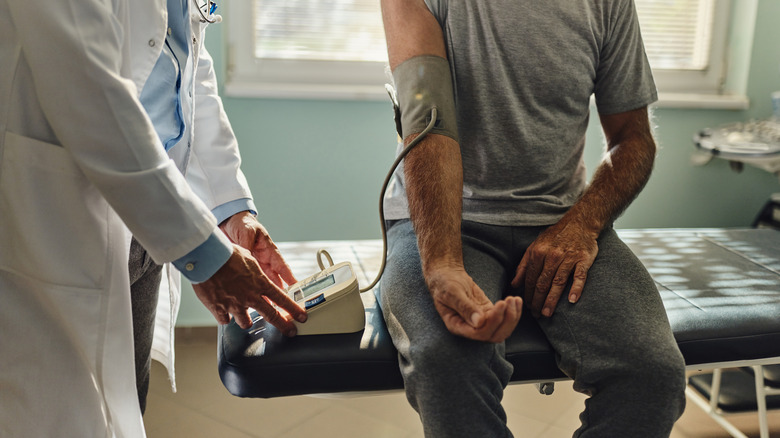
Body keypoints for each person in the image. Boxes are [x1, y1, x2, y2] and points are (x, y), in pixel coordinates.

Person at [378, 1, 687, 437]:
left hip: (562, 221)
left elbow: (633, 139)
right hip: (444, 220)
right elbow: (428, 120)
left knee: (652, 375)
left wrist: (581, 225)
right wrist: (443, 260)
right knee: (448, 363)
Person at [0, 1, 306, 437]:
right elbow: (87, 87)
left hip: (149, 226)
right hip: (55, 213)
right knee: (53, 413)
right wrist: (200, 248)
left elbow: (186, 64)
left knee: (126, 397)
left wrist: (228, 208)